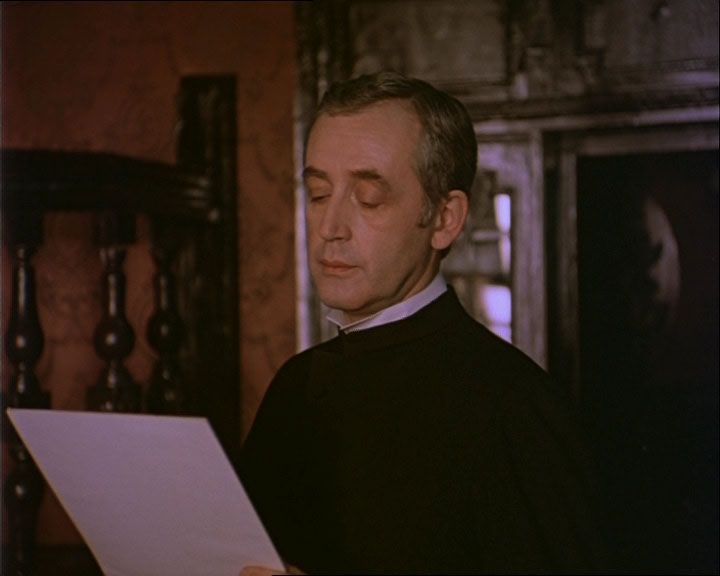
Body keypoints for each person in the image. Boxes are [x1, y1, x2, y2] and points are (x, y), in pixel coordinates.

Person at [239, 71, 606, 574]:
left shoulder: (514, 408)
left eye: (368, 198)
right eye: (319, 194)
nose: (330, 228)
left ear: (444, 219)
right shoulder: (296, 387)